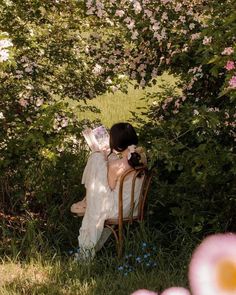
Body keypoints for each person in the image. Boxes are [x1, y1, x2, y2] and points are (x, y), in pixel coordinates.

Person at [70, 122, 147, 260]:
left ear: (116, 143)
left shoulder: (116, 166)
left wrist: (102, 158)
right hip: (133, 207)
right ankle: (88, 199)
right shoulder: (141, 156)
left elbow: (109, 189)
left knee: (96, 158)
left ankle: (88, 199)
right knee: (99, 158)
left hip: (118, 208)